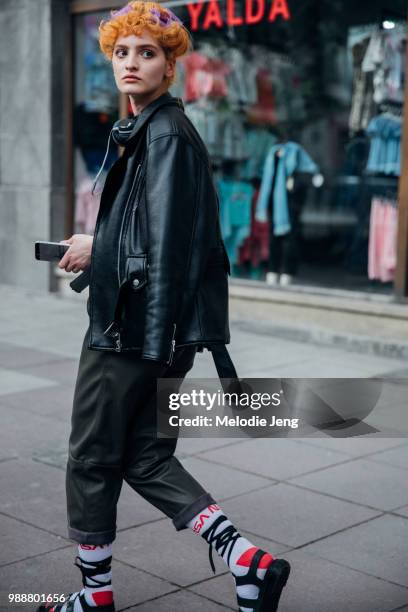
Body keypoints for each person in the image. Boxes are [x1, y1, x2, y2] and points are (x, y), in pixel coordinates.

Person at [41, 2, 290, 611]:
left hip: (132, 328)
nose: (131, 62)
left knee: (91, 457)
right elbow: (159, 231)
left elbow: (165, 247)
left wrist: (95, 250)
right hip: (158, 326)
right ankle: (247, 563)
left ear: (169, 64)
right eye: (122, 51)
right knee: (147, 456)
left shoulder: (166, 134)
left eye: (146, 52)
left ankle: (93, 599)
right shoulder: (153, 130)